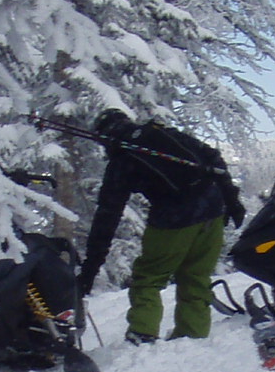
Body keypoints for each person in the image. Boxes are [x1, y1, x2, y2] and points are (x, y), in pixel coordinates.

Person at [78, 110, 245, 344]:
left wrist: (91, 267)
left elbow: (107, 215)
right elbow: (213, 158)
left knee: (148, 278)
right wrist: (232, 201)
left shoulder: (123, 160)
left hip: (173, 220)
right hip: (213, 211)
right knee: (196, 277)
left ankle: (143, 334)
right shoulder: (162, 133)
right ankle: (193, 336)